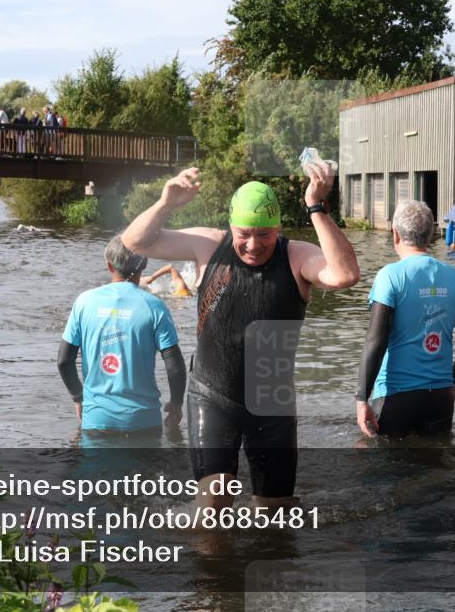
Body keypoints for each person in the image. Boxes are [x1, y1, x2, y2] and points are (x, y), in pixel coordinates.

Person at [122, 164, 359, 509]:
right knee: (215, 498)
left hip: (271, 402)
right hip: (213, 394)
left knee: (273, 514)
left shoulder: (295, 256)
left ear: (277, 229)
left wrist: (316, 207)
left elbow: (345, 274)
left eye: (264, 234)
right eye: (244, 233)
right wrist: (167, 203)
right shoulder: (209, 246)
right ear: (232, 226)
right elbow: (135, 242)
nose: (253, 244)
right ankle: (199, 540)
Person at [355, 201, 455, 439]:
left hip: (396, 397)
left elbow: (376, 342)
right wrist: (453, 383)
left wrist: (362, 398)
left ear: (395, 234)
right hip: (440, 398)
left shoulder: (389, 276)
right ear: (431, 235)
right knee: (436, 468)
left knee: (386, 467)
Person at [58, 235, 187, 436]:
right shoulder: (154, 306)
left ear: (109, 266)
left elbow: (64, 361)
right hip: (143, 422)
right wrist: (177, 403)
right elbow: (174, 366)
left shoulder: (84, 302)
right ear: (144, 264)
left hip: (97, 420)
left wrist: (78, 397)